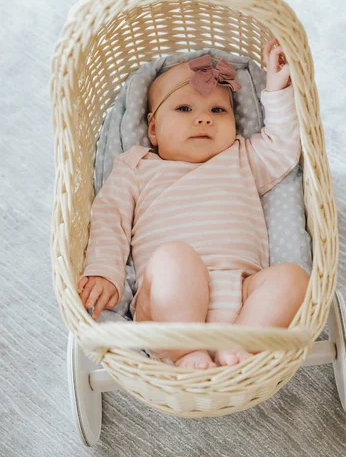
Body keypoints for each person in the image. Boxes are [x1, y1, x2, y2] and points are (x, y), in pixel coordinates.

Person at [78, 38, 310, 369]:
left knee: (292, 278)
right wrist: (104, 270)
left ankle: (240, 344)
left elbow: (283, 146)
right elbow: (108, 217)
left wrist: (276, 88)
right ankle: (188, 353)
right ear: (153, 129)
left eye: (218, 110)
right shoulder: (138, 165)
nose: (203, 119)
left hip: (242, 295)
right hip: (168, 309)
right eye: (184, 109)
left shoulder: (241, 156)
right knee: (176, 256)